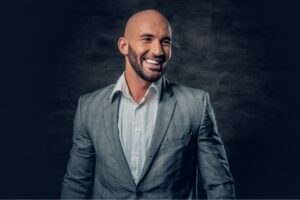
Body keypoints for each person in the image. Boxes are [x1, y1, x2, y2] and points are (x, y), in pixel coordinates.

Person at [61, 9, 235, 199]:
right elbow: (77, 185)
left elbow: (219, 185)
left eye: (165, 41)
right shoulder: (89, 108)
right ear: (123, 46)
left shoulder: (196, 106)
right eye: (147, 39)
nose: (158, 51)